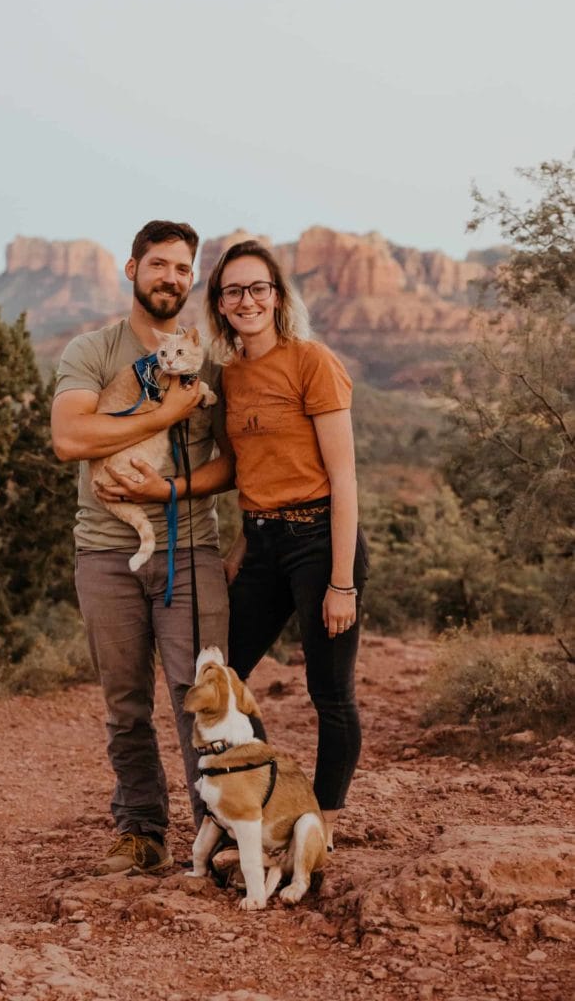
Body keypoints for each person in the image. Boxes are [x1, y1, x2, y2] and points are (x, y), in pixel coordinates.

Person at [51, 220, 234, 875]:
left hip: (191, 551)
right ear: (132, 270)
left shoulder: (211, 361)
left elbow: (233, 464)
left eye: (182, 268)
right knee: (125, 704)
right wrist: (162, 415)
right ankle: (141, 831)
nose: (170, 278)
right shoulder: (93, 350)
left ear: (192, 278)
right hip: (106, 552)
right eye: (158, 265)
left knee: (202, 697)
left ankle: (221, 834)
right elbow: (70, 439)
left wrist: (170, 489)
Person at [205, 240, 369, 853]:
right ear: (220, 304)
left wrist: (342, 581)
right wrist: (241, 549)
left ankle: (322, 825)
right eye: (233, 291)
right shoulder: (229, 375)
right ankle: (267, 798)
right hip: (262, 542)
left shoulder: (311, 360)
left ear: (276, 297)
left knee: (330, 692)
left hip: (320, 540)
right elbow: (252, 470)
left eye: (258, 288)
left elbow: (344, 478)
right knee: (227, 676)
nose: (246, 300)